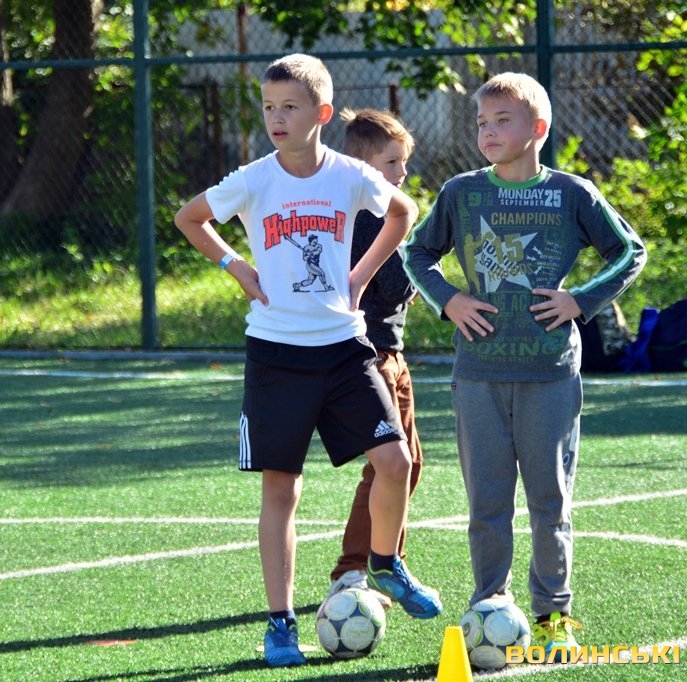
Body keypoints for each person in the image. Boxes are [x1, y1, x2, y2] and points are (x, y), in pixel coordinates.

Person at [173, 53, 443, 669]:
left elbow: (403, 212)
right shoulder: (253, 179)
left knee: (396, 461)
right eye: (269, 107)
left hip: (345, 350)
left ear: (321, 113)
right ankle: (280, 623)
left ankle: (384, 563)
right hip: (277, 356)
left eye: (289, 107)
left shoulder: (350, 175)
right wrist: (236, 267)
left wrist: (361, 274)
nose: (276, 118)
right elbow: (190, 217)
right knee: (282, 489)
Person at [404, 72, 647, 663]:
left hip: (550, 372)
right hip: (477, 374)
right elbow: (416, 253)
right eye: (481, 122)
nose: (487, 131)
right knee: (487, 505)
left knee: (549, 502)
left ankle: (553, 618)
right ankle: (490, 605)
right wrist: (449, 300)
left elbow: (629, 251)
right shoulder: (462, 193)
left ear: (537, 128)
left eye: (501, 121)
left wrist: (580, 300)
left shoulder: (572, 193)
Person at [323, 108, 424, 606]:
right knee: (388, 466)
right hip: (373, 354)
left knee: (409, 463)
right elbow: (398, 284)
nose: (402, 172)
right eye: (392, 162)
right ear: (364, 165)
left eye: (403, 162)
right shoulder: (373, 216)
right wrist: (422, 263)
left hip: (390, 353)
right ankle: (355, 568)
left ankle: (386, 562)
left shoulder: (368, 209)